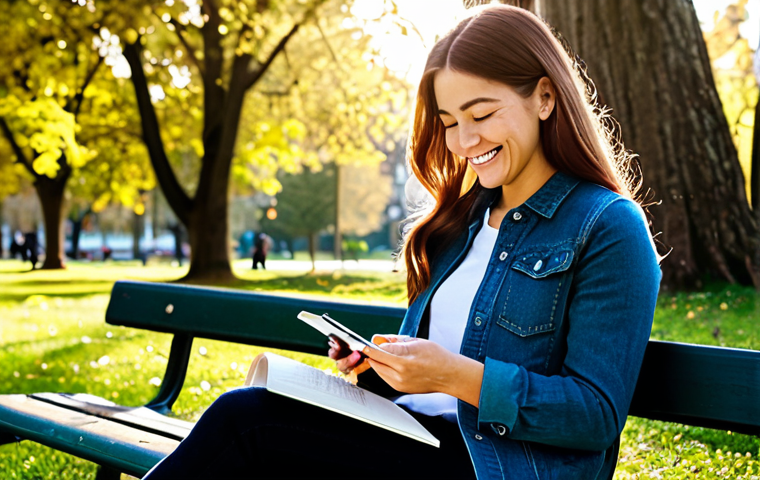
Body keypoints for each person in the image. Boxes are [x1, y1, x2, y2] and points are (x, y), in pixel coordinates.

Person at [143, 5, 661, 480]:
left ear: (545, 97)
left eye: (481, 116)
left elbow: (594, 414)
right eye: (451, 122)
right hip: (408, 440)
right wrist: (380, 373)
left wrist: (454, 376)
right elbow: (427, 386)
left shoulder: (608, 227)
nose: (464, 141)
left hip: (495, 466)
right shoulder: (457, 225)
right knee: (252, 419)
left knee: (247, 424)